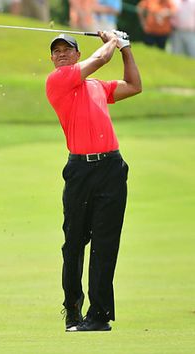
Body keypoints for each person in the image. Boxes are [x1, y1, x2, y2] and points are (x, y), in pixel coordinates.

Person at [46, 30, 142, 331]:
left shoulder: (97, 86)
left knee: (105, 244)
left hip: (111, 168)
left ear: (76, 54)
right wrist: (113, 40)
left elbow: (134, 86)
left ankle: (99, 316)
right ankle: (73, 310)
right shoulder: (57, 82)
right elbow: (101, 58)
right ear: (52, 59)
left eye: (67, 49)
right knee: (73, 244)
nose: (61, 54)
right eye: (56, 51)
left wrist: (125, 48)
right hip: (80, 172)